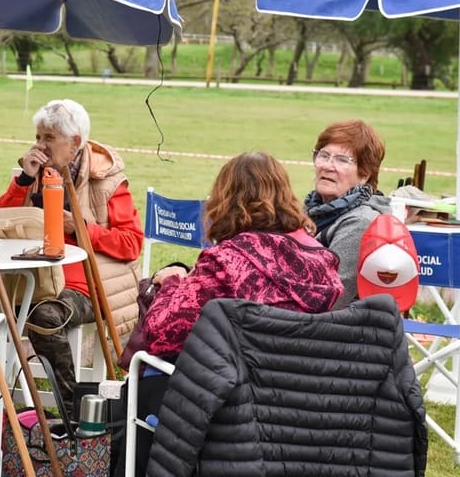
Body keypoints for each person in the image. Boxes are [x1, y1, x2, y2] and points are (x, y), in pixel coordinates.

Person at [113, 151, 343, 477]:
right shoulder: (322, 261)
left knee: (140, 383)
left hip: (228, 401)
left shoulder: (228, 262)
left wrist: (173, 282)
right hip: (301, 403)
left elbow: (162, 333)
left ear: (226, 200)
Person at [0, 98, 143, 417]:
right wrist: (21, 181)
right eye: (37, 137)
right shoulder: (34, 173)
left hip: (87, 285)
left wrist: (82, 228)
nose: (39, 146)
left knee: (45, 317)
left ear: (74, 142)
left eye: (48, 138)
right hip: (33, 276)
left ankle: (74, 413)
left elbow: (131, 243)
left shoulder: (107, 180)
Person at [304, 119, 391, 309]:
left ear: (364, 174)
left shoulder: (361, 222)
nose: (327, 166)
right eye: (323, 155)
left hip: (340, 331)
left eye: (342, 160)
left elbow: (332, 298)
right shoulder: (308, 211)